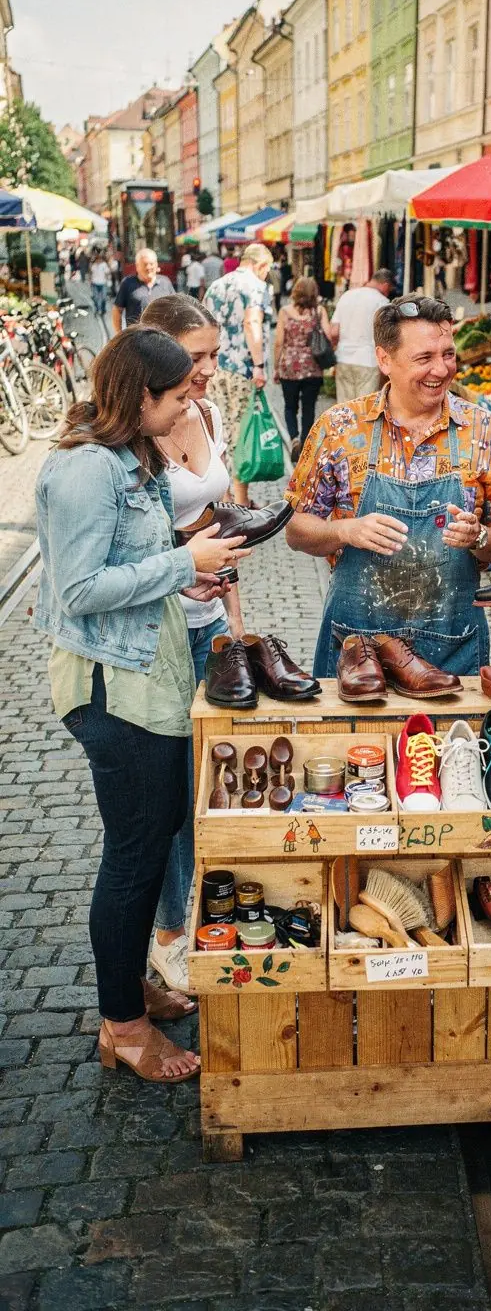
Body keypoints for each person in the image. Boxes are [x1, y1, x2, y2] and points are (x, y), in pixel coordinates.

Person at [34, 327, 251, 1082]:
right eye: (181, 392)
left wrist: (187, 577)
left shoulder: (133, 456)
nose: (193, 400)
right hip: (110, 688)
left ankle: (133, 990)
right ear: (141, 396)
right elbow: (79, 590)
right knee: (132, 858)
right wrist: (182, 560)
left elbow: (135, 565)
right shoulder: (86, 470)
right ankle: (121, 1026)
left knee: (153, 841)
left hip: (148, 675)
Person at [285, 294, 491, 677]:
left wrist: (480, 537)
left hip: (452, 651)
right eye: (424, 358)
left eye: (448, 354)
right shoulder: (338, 429)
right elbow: (297, 530)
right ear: (385, 360)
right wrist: (345, 530)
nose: (441, 369)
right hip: (358, 656)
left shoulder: (488, 432)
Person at [141, 294, 246, 995]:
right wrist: (188, 568)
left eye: (213, 354)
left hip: (208, 624)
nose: (210, 370)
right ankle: (168, 937)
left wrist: (240, 620)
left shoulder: (206, 413)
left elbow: (222, 517)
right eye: (196, 359)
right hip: (154, 633)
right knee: (169, 795)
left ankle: (199, 915)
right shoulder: (136, 431)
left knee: (214, 777)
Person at [204, 242, 273, 506]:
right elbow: (251, 322)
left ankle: (225, 495)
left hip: (216, 368)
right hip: (242, 368)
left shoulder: (216, 286)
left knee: (220, 431)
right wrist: (258, 365)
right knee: (242, 431)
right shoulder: (255, 286)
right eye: (267, 270)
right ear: (260, 265)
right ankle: (241, 501)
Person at [274, 276, 332, 461]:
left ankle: (293, 439)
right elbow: (329, 335)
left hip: (289, 366)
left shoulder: (284, 312)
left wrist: (276, 367)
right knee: (309, 407)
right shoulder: (319, 311)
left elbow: (278, 342)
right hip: (312, 367)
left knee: (290, 406)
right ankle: (307, 443)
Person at [330, 268, 394, 403]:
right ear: (385, 285)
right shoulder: (382, 302)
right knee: (365, 409)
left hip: (343, 358)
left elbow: (334, 332)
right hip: (368, 360)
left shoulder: (346, 296)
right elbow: (387, 337)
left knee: (344, 408)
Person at [112, 248, 175, 331]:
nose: (148, 267)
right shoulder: (127, 283)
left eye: (151, 264)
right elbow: (117, 310)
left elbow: (175, 308)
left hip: (163, 338)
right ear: (137, 266)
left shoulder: (165, 282)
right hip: (136, 338)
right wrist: (119, 334)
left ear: (156, 264)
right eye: (145, 264)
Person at [89, 250, 110, 318]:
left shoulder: (104, 265)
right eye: (97, 259)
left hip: (103, 283)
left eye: (99, 259)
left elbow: (107, 273)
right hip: (95, 283)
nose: (98, 260)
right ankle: (98, 309)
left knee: (103, 297)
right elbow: (91, 273)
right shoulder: (93, 265)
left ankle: (103, 309)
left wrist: (107, 280)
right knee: (95, 298)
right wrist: (91, 281)